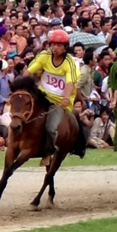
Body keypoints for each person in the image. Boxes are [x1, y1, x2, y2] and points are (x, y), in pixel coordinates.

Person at [26, 28, 79, 166]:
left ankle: (48, 153)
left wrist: (66, 98)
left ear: (65, 47)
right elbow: (29, 71)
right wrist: (19, 85)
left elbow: (70, 82)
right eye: (53, 44)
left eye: (59, 45)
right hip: (42, 95)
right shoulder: (44, 56)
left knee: (51, 127)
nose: (55, 48)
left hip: (59, 101)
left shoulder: (70, 63)